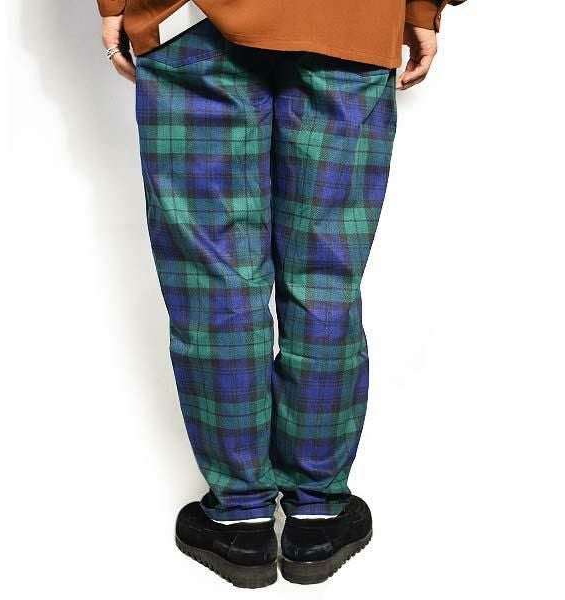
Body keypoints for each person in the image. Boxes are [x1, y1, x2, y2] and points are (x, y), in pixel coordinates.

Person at [96, 0, 467, 588]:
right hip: (353, 19)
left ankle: (240, 515)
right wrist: (422, 8)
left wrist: (114, 4)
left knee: (214, 277)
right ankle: (317, 510)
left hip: (191, 20)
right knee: (326, 278)